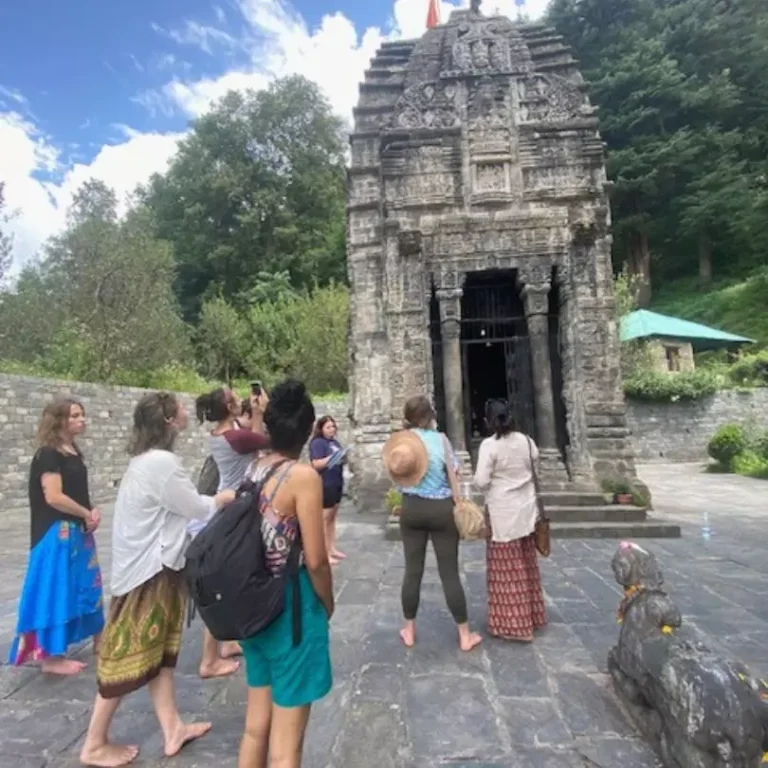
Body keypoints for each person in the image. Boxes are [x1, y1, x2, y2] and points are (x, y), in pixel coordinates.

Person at [79, 392, 235, 768]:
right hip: (148, 574)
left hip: (153, 569)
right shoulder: (161, 463)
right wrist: (222, 499)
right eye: (179, 409)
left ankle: (172, 729)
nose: (186, 411)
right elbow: (195, 506)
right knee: (124, 656)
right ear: (168, 419)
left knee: (162, 657)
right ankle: (94, 743)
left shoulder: (145, 462)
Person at [238, 379, 334, 768]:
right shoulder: (302, 477)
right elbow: (316, 559)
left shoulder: (256, 467)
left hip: (252, 605)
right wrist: (327, 602)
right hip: (289, 610)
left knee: (254, 729)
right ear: (309, 428)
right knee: (286, 748)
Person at [8, 397, 104, 675]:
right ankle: (50, 657)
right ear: (59, 420)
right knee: (55, 589)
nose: (81, 419)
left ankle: (98, 638)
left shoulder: (72, 449)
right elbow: (53, 496)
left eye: (82, 414)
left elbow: (76, 491)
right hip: (55, 533)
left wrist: (92, 509)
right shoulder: (48, 454)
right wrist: (85, 513)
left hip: (77, 532)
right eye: (75, 415)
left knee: (86, 585)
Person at [382, 395, 481, 652]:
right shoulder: (441, 440)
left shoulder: (401, 444)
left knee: (412, 571)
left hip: (412, 509)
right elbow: (455, 472)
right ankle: (464, 634)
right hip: (441, 510)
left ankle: (410, 630)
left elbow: (398, 476)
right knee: (449, 572)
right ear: (430, 415)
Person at [193, 385, 270, 679]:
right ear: (227, 408)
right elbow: (262, 440)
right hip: (238, 509)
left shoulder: (223, 433)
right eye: (234, 399)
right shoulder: (236, 437)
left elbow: (249, 432)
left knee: (224, 580)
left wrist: (254, 414)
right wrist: (261, 412)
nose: (239, 399)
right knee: (224, 585)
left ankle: (224, 645)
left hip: (231, 505)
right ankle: (208, 660)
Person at [473, 399, 547, 643]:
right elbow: (535, 463)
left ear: (488, 421)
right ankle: (533, 618)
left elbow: (482, 481)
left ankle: (514, 626)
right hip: (526, 510)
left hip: (502, 512)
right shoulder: (527, 441)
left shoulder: (489, 446)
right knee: (526, 565)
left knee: (506, 570)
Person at [309, 416, 346, 565]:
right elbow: (316, 463)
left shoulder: (335, 442)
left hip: (336, 482)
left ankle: (331, 548)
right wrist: (332, 458)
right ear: (321, 428)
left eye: (333, 427)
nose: (332, 430)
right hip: (325, 484)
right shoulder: (318, 443)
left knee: (332, 518)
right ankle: (324, 552)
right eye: (328, 427)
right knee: (324, 519)